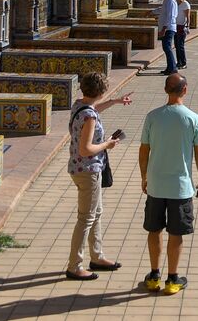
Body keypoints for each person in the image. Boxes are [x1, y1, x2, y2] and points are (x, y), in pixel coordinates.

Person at [139, 74, 198, 296]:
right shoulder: (193, 119)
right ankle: (172, 279)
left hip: (156, 185)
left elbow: (144, 150)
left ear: (165, 89)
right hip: (180, 187)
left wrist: (144, 176)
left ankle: (153, 275)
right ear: (185, 90)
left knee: (154, 229)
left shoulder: (153, 117)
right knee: (176, 234)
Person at [65, 72, 133, 280]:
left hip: (79, 169)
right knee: (86, 218)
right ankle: (75, 266)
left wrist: (115, 101)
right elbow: (86, 149)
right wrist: (108, 144)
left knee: (96, 213)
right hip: (88, 170)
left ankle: (97, 256)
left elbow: (92, 109)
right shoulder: (90, 116)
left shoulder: (80, 106)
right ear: (101, 92)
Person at [157, 0, 180, 75]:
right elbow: (162, 11)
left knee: (167, 48)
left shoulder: (170, 1)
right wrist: (152, 12)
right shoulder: (167, 0)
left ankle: (173, 68)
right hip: (167, 28)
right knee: (166, 48)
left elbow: (170, 16)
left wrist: (164, 29)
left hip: (168, 28)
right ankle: (170, 68)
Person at [174, 0, 192, 69]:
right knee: (176, 45)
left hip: (182, 27)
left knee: (180, 45)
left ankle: (183, 62)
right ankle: (179, 62)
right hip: (175, 26)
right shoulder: (176, 3)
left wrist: (188, 26)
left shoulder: (185, 4)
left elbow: (188, 16)